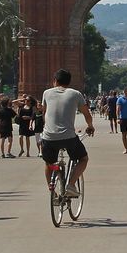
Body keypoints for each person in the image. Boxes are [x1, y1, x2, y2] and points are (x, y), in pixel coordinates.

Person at [40, 68, 94, 196]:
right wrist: (90, 126)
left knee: (49, 163)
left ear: (55, 80)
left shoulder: (46, 93)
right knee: (83, 159)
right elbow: (87, 114)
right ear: (69, 82)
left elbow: (44, 113)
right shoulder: (75, 94)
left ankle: (52, 192)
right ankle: (71, 184)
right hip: (68, 138)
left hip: (49, 137)